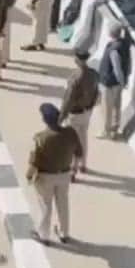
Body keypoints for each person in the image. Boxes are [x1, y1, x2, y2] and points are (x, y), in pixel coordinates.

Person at [27, 103, 83, 244]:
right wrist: (74, 169)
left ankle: (44, 235)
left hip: (46, 177)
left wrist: (29, 176)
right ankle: (64, 233)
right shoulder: (71, 133)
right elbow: (79, 153)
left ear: (44, 120)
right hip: (64, 175)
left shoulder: (40, 138)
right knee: (63, 204)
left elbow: (34, 163)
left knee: (46, 207)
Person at [59, 49, 100, 169]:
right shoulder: (94, 74)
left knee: (73, 141)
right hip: (87, 112)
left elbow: (69, 99)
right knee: (83, 138)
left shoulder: (75, 77)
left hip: (75, 113)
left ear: (78, 60)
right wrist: (91, 106)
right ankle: (84, 164)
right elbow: (96, 93)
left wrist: (61, 116)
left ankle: (73, 167)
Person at [99, 25, 131, 138]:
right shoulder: (124, 45)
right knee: (116, 107)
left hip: (110, 83)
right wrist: (123, 82)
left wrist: (121, 82)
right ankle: (115, 129)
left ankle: (106, 131)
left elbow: (117, 68)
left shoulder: (113, 49)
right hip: (117, 83)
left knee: (108, 108)